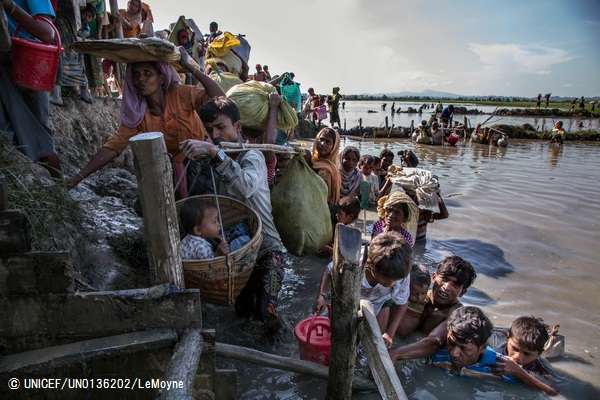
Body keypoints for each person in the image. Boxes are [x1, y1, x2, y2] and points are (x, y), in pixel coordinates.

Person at [179, 96, 284, 334]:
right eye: (209, 130)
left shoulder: (252, 157)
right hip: (237, 253)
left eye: (221, 127)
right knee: (243, 314)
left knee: (268, 312)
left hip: (266, 249)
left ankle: (278, 347)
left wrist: (215, 154)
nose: (215, 135)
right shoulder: (215, 160)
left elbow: (245, 186)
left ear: (237, 127)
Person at [68, 48, 226, 198]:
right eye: (136, 74)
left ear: (161, 78)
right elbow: (113, 147)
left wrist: (189, 67)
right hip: (172, 169)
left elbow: (219, 97)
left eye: (147, 73)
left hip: (203, 163)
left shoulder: (180, 94)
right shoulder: (138, 113)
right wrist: (79, 177)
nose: (140, 79)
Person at [314, 231, 412, 348]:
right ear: (370, 266)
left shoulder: (400, 271)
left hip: (379, 301)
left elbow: (402, 303)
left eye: (395, 280)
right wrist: (321, 296)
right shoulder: (352, 261)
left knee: (372, 343)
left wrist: (390, 333)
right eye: (386, 280)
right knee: (341, 338)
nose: (392, 284)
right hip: (348, 298)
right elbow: (328, 272)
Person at [1, 0, 62, 179]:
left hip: (28, 68)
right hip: (4, 67)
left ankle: (62, 193)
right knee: (7, 139)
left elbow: (47, 33)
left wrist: (9, 7)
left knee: (41, 142)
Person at [389, 256, 477, 362]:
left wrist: (396, 352)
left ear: (462, 292)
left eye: (456, 286)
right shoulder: (417, 294)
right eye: (444, 279)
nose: (447, 287)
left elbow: (436, 341)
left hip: (416, 355)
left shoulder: (455, 314)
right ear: (433, 277)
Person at [426, 306, 518, 382]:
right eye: (451, 343)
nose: (454, 353)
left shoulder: (501, 368)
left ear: (482, 348)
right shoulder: (435, 355)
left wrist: (518, 372)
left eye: (464, 348)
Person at [493, 316, 558, 396]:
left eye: (527, 354)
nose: (517, 357)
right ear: (508, 337)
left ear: (538, 354)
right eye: (514, 348)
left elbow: (553, 393)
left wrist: (517, 371)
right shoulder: (495, 347)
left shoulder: (542, 367)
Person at [50, 0, 94, 106]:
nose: (86, 17)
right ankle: (84, 91)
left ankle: (57, 94)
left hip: (64, 15)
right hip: (65, 15)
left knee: (63, 53)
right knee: (68, 53)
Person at [241, 92, 280, 188]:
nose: (241, 142)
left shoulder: (266, 158)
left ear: (257, 140)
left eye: (245, 139)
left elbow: (269, 142)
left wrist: (273, 108)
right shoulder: (239, 154)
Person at [305, 127, 341, 205]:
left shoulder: (327, 170)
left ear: (334, 147)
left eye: (328, 142)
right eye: (321, 139)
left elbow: (322, 196)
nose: (322, 144)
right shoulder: (313, 161)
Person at [396, 264, 430, 337]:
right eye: (414, 294)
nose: (419, 298)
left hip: (409, 336)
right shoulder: (400, 298)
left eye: (424, 293)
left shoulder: (426, 301)